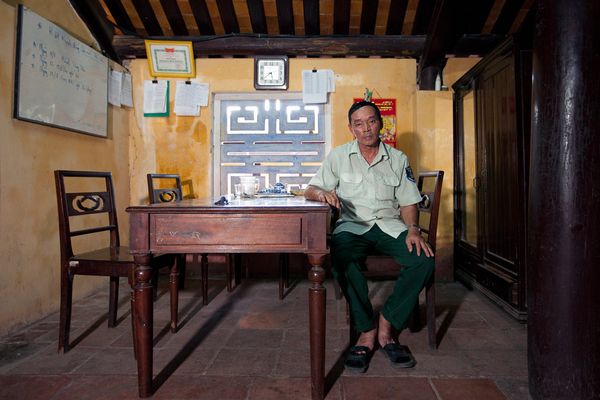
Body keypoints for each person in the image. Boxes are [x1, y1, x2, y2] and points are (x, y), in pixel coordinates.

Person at [304, 101, 434, 372]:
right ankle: (366, 330)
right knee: (340, 257)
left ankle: (387, 323)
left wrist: (413, 228)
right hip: (352, 227)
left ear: (380, 124)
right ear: (351, 128)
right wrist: (322, 193)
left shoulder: (398, 159)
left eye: (371, 121)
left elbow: (408, 201)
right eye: (359, 124)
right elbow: (311, 189)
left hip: (390, 226)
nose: (366, 129)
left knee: (423, 259)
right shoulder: (338, 156)